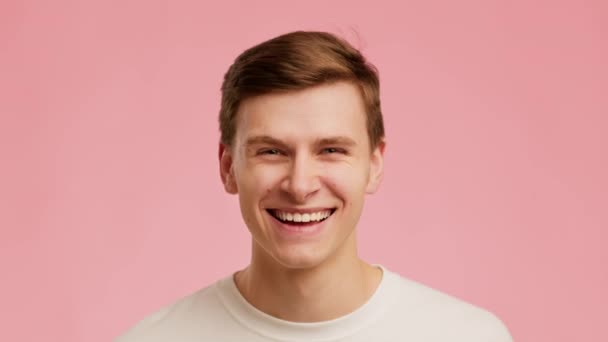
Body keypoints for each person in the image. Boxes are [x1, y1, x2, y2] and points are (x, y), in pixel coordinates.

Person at [116, 31, 513, 341]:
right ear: (227, 167)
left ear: (374, 165)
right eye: (271, 151)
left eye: (331, 150)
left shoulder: (469, 337)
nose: (300, 185)